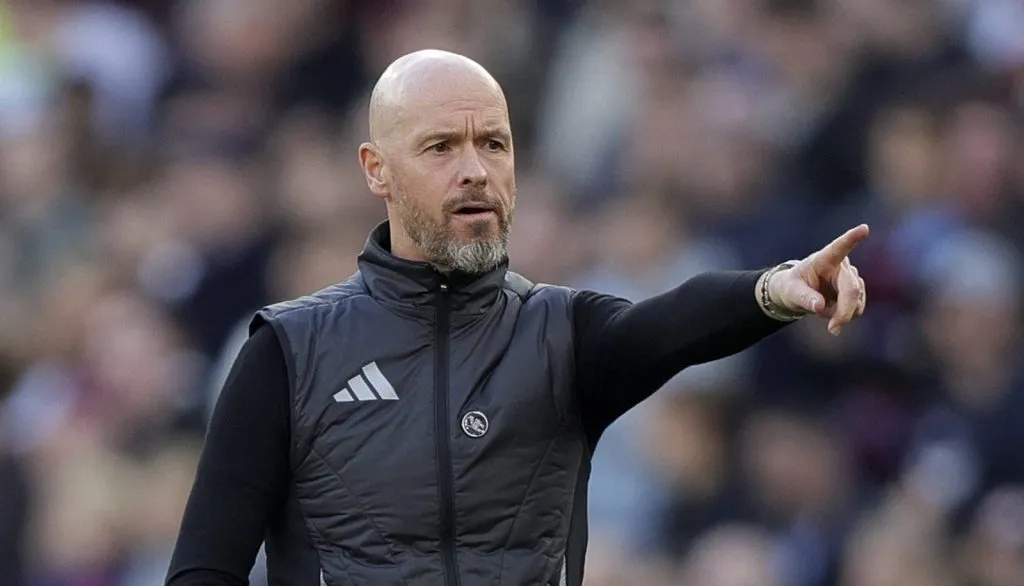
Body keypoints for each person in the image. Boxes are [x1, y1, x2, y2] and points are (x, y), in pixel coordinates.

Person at [165, 50, 868, 586]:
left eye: (493, 144)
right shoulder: (289, 350)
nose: (474, 170)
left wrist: (776, 289)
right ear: (377, 170)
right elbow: (205, 569)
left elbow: (672, 323)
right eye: (441, 147)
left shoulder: (564, 333)